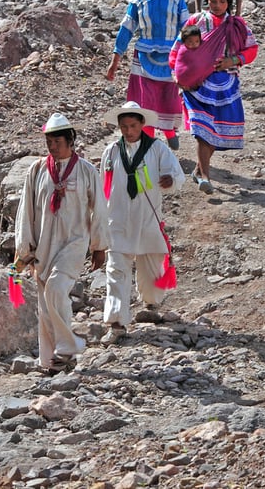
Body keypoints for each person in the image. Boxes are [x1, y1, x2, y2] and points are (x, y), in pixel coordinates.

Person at [15, 112, 108, 372]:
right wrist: (25, 248)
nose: (52, 147)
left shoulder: (87, 170)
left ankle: (67, 347)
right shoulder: (37, 170)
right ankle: (51, 362)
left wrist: (99, 246)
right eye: (49, 143)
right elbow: (27, 210)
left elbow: (99, 208)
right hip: (44, 244)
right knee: (45, 305)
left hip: (74, 242)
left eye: (57, 142)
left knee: (56, 289)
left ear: (70, 141)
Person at [99, 101, 185, 345]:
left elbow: (177, 174)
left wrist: (171, 181)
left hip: (147, 218)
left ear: (142, 125)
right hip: (117, 221)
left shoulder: (157, 149)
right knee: (116, 271)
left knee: (150, 266)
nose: (128, 131)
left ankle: (150, 303)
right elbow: (102, 186)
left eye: (133, 126)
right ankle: (116, 323)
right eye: (124, 126)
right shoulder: (111, 152)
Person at [170, 0, 258, 194]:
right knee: (202, 129)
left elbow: (252, 49)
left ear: (228, 2)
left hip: (225, 84)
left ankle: (200, 171)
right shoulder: (196, 21)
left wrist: (234, 61)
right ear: (206, 1)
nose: (216, 5)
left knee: (213, 130)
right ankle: (205, 177)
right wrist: (179, 75)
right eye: (212, 1)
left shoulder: (237, 25)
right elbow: (178, 51)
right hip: (197, 86)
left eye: (221, 1)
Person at [106, 0, 189, 150]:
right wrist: (115, 59)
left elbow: (186, 27)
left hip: (171, 55)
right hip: (144, 58)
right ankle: (149, 142)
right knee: (146, 101)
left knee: (169, 97)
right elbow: (126, 29)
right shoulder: (138, 2)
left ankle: (169, 132)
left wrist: (190, 56)